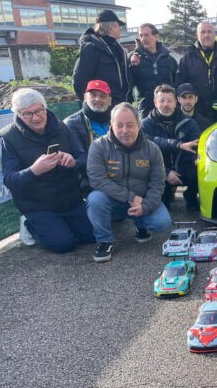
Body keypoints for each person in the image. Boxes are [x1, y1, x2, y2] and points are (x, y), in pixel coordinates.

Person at [0, 88, 94, 253]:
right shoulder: (7, 138)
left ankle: (61, 225)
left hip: (70, 198)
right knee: (63, 245)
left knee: (92, 236)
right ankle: (29, 224)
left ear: (45, 107)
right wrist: (33, 170)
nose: (35, 118)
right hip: (38, 204)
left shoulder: (61, 127)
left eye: (38, 111)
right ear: (18, 114)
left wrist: (73, 162)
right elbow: (10, 180)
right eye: (27, 114)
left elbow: (83, 158)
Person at [86, 103, 172, 262]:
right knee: (95, 199)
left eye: (130, 125)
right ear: (111, 125)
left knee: (163, 223)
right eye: (119, 125)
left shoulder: (152, 149)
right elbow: (97, 180)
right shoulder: (98, 147)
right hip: (113, 200)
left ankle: (141, 225)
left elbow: (158, 183)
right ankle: (104, 241)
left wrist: (146, 206)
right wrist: (130, 197)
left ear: (139, 126)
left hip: (142, 199)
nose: (125, 130)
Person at [141, 84, 201, 211]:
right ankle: (165, 196)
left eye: (169, 101)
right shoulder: (145, 124)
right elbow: (146, 146)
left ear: (176, 102)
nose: (165, 105)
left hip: (184, 168)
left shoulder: (189, 123)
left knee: (202, 170)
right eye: (162, 101)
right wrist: (166, 172)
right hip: (159, 170)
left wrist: (196, 159)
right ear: (155, 102)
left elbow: (198, 146)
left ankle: (190, 195)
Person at [64, 79, 113, 196]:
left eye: (102, 96)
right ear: (85, 97)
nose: (98, 99)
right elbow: (80, 159)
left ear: (110, 101)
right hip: (91, 182)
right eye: (93, 95)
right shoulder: (72, 123)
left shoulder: (117, 120)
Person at [72, 9, 131, 106]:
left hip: (119, 105)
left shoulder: (117, 48)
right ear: (111, 27)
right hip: (101, 107)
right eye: (119, 26)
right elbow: (80, 80)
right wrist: (91, 105)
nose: (121, 29)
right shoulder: (91, 47)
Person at [128, 23, 178, 117]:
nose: (143, 38)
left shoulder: (169, 59)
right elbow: (129, 85)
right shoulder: (134, 59)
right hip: (146, 110)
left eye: (147, 35)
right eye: (141, 35)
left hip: (167, 108)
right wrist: (134, 67)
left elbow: (177, 83)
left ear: (156, 37)